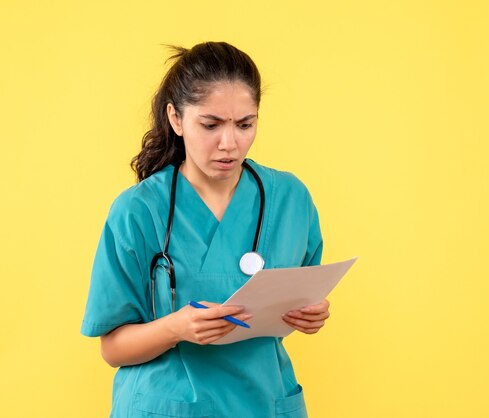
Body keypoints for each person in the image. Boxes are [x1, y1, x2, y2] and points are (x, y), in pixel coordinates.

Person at [81, 41, 330, 418]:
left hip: (263, 402)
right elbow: (112, 347)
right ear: (176, 119)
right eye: (211, 125)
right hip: (168, 407)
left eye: (245, 124)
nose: (229, 143)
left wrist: (309, 314)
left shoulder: (290, 199)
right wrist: (176, 328)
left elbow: (292, 301)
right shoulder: (139, 211)